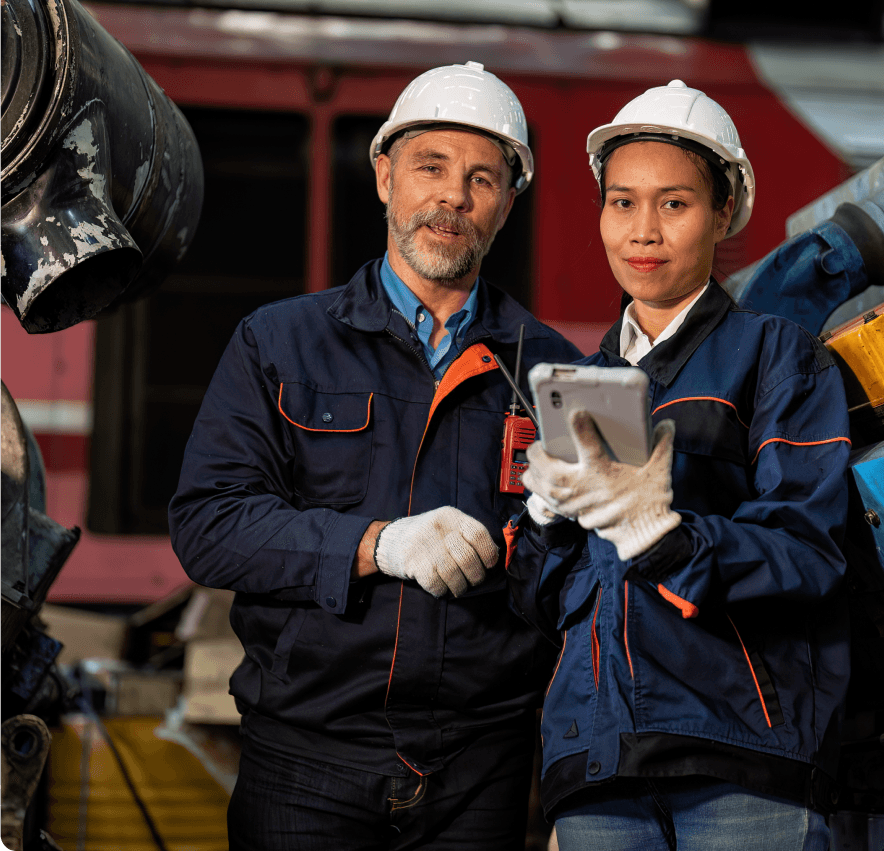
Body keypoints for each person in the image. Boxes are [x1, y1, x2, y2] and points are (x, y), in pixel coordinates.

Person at [169, 61, 581, 851]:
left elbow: (585, 579)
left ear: (506, 206)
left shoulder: (555, 372)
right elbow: (208, 524)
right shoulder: (277, 342)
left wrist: (549, 534)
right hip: (304, 759)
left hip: (481, 769)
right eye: (430, 167)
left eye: (482, 179)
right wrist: (375, 543)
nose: (453, 197)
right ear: (385, 174)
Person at [505, 80, 850, 851]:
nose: (643, 230)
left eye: (674, 203)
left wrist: (664, 533)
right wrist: (543, 522)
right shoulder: (580, 387)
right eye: (621, 203)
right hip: (596, 767)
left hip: (738, 759)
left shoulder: (774, 357)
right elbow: (544, 603)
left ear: (722, 212)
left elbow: (808, 554)